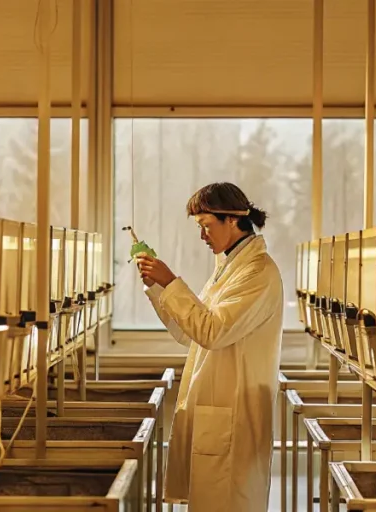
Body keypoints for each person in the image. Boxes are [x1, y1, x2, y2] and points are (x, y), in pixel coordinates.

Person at [134, 182, 284, 512]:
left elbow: (211, 331)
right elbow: (191, 332)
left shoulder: (257, 272)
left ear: (231, 219)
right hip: (217, 411)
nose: (202, 237)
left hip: (234, 413)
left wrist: (172, 282)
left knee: (228, 500)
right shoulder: (229, 269)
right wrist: (160, 290)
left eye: (205, 226)